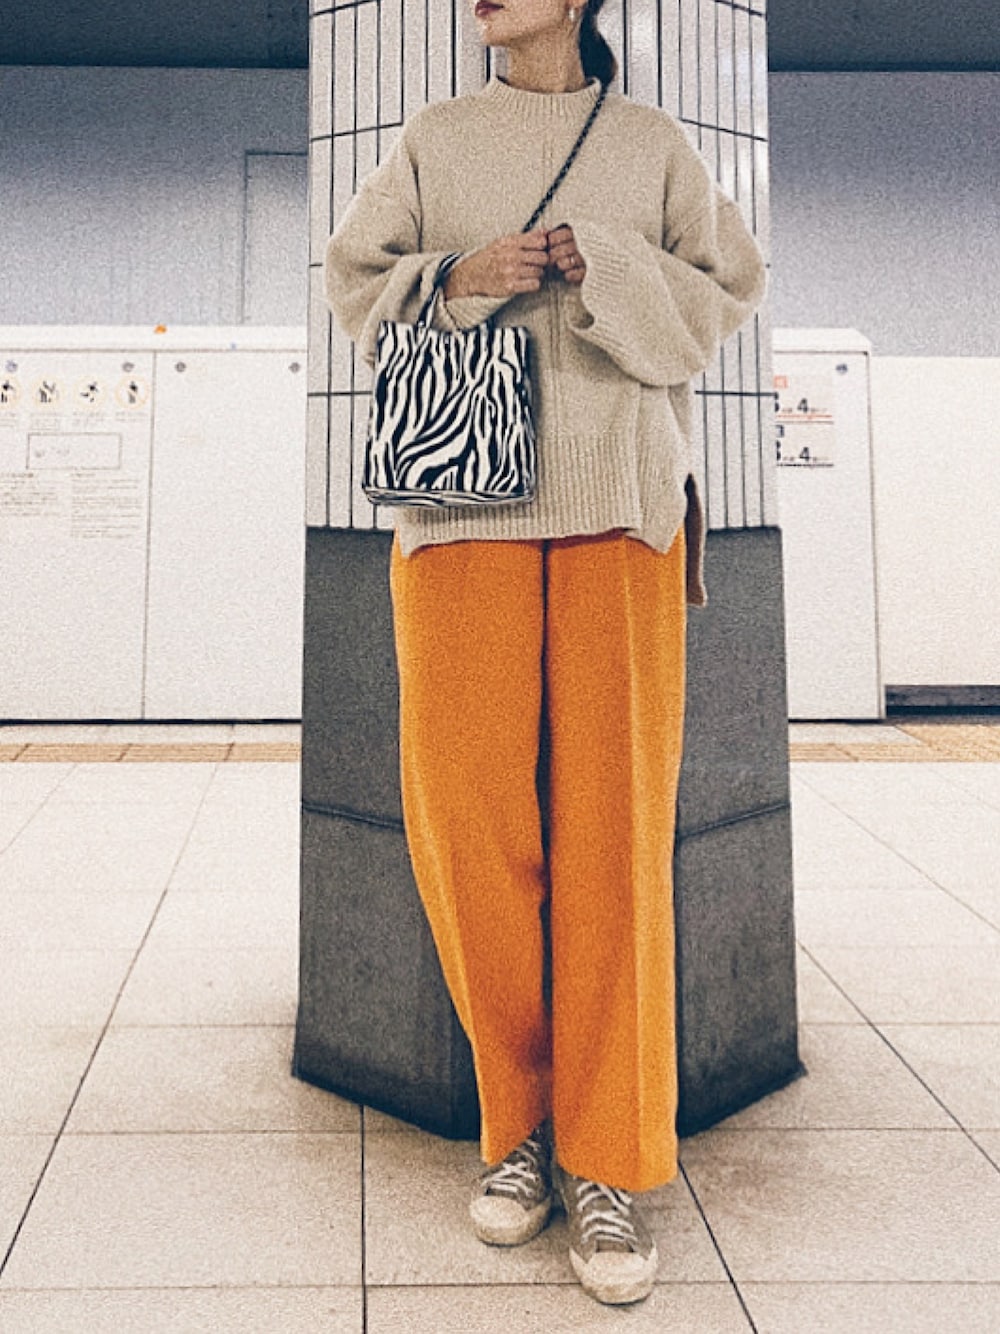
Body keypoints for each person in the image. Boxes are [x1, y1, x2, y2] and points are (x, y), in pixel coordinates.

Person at [323, 0, 767, 1307]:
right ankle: (516, 1123)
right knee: (467, 833)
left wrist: (608, 262)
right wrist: (461, 275)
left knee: (615, 840)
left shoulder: (651, 143)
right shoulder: (435, 135)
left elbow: (728, 297)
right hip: (455, 511)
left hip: (619, 508)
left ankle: (610, 1158)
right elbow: (354, 280)